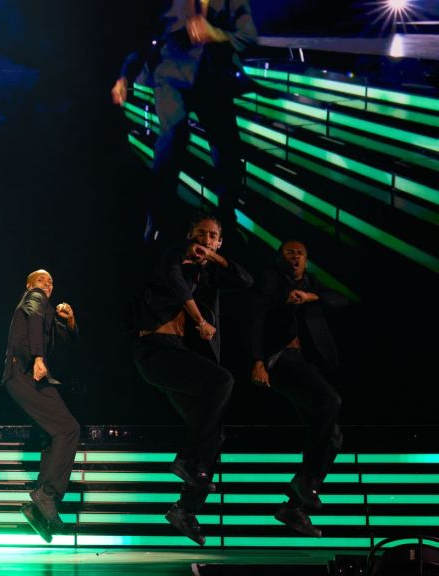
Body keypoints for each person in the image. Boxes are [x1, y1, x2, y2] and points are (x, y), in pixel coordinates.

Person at [132, 214, 252, 545]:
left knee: (215, 436)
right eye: (200, 234)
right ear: (190, 236)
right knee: (222, 381)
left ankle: (185, 509)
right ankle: (187, 460)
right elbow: (174, 281)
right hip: (155, 352)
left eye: (212, 236)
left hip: (175, 356)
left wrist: (213, 258)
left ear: (218, 243)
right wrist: (199, 320)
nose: (205, 239)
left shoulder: (206, 271)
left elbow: (245, 280)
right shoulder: (173, 255)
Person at [112, 0, 258, 240]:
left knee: (227, 148)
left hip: (212, 80)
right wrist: (125, 74)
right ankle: (158, 216)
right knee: (173, 137)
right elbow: (142, 34)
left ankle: (226, 220)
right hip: (170, 76)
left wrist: (217, 35)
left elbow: (249, 36)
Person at [250, 240, 347, 537]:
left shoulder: (312, 284)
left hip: (307, 365)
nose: (295, 256)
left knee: (334, 437)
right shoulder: (271, 281)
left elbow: (341, 300)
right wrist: (257, 361)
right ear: (281, 257)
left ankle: (294, 507)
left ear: (306, 259)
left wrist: (309, 296)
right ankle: (305, 481)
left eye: (300, 252)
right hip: (281, 359)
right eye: (289, 252)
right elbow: (256, 320)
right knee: (331, 401)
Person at [2, 269, 79, 543]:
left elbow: (67, 339)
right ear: (29, 285)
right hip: (24, 373)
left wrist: (70, 321)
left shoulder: (44, 309)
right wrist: (37, 358)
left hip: (26, 376)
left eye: (51, 281)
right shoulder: (34, 299)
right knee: (69, 429)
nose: (47, 284)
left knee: (53, 436)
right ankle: (46, 495)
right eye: (41, 280)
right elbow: (35, 320)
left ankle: (38, 509)